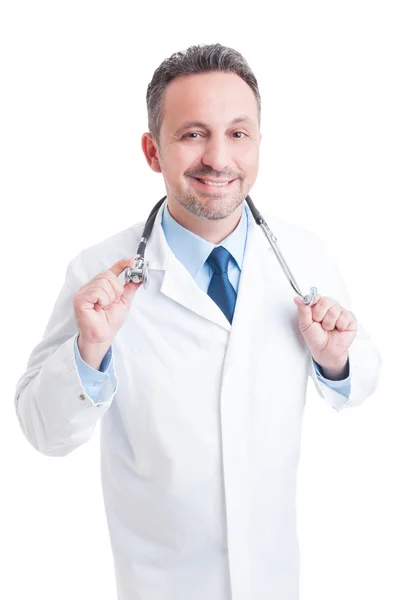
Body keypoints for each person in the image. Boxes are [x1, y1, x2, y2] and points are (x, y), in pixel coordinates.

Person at [14, 43, 381, 600]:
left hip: (275, 583)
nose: (218, 157)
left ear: (258, 143)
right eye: (192, 134)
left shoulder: (304, 259)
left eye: (238, 133)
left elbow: (364, 381)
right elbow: (43, 430)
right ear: (152, 150)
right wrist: (89, 351)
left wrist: (337, 361)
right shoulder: (98, 274)